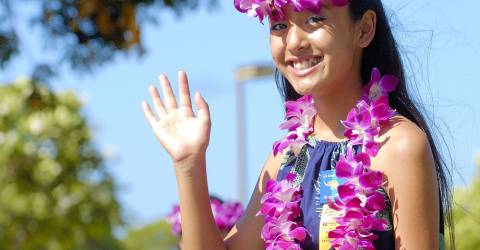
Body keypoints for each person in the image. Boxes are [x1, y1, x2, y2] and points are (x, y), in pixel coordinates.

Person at [141, 0, 453, 249]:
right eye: (278, 24)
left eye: (314, 19)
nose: (293, 41)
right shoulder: (289, 156)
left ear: (364, 29)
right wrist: (189, 164)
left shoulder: (399, 146)